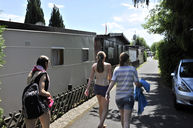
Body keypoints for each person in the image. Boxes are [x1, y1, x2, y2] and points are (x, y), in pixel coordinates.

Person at [105, 52, 141, 128]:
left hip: (119, 98)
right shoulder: (132, 69)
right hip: (129, 97)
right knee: (127, 120)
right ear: (128, 60)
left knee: (122, 117)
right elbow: (137, 84)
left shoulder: (116, 69)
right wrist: (141, 85)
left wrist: (107, 92)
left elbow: (112, 82)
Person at [85, 51, 112, 128]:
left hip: (97, 87)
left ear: (97, 57)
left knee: (100, 106)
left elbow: (90, 78)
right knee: (105, 109)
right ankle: (100, 125)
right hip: (105, 87)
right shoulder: (108, 65)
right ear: (104, 57)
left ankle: (102, 123)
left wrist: (87, 89)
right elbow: (110, 79)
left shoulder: (94, 66)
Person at [25, 55, 52, 128]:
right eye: (48, 64)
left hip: (29, 103)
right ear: (45, 64)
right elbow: (41, 91)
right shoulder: (43, 74)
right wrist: (49, 94)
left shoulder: (31, 73)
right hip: (41, 104)